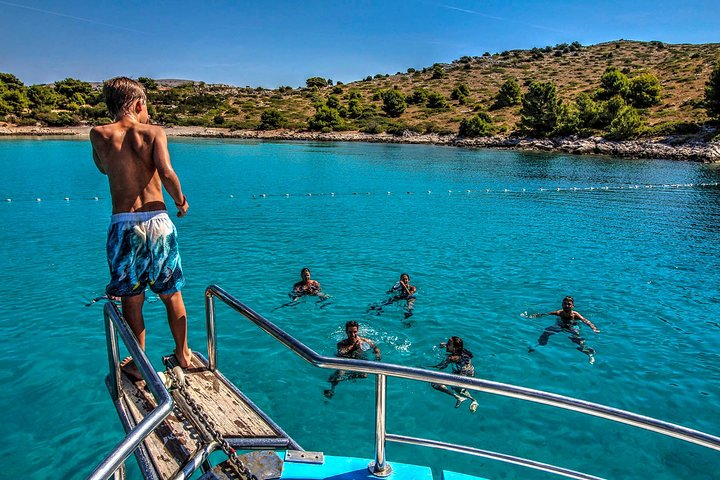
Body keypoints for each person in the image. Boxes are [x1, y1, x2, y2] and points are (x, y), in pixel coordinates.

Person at [90, 77, 192, 381]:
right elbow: (167, 172)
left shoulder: (98, 134)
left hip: (123, 226)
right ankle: (183, 353)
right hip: (157, 220)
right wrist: (181, 202)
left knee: (132, 300)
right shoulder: (154, 132)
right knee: (171, 293)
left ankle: (137, 363)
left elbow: (103, 167)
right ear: (138, 104)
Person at [527, 296, 600, 363]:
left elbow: (586, 321)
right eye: (565, 304)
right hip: (560, 325)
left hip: (572, 326)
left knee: (577, 340)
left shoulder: (575, 315)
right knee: (546, 331)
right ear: (562, 305)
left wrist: (594, 328)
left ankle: (589, 353)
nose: (567, 306)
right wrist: (531, 316)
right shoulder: (559, 312)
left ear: (573, 306)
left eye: (569, 304)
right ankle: (539, 345)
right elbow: (545, 314)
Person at [324, 321, 381, 399]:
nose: (353, 335)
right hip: (346, 361)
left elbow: (376, 348)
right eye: (350, 332)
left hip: (359, 360)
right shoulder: (341, 343)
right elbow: (342, 352)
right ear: (346, 332)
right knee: (338, 376)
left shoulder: (364, 341)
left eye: (355, 332)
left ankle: (350, 376)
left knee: (364, 375)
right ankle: (332, 389)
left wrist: (377, 355)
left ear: (358, 331)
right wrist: (354, 347)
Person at [430, 336, 478, 413]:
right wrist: (444, 345)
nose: (447, 344)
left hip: (462, 376)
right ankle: (465, 398)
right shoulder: (463, 351)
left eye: (449, 344)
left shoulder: (452, 358)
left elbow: (440, 366)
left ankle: (473, 400)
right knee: (458, 390)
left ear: (455, 348)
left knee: (435, 384)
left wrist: (427, 367)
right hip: (467, 372)